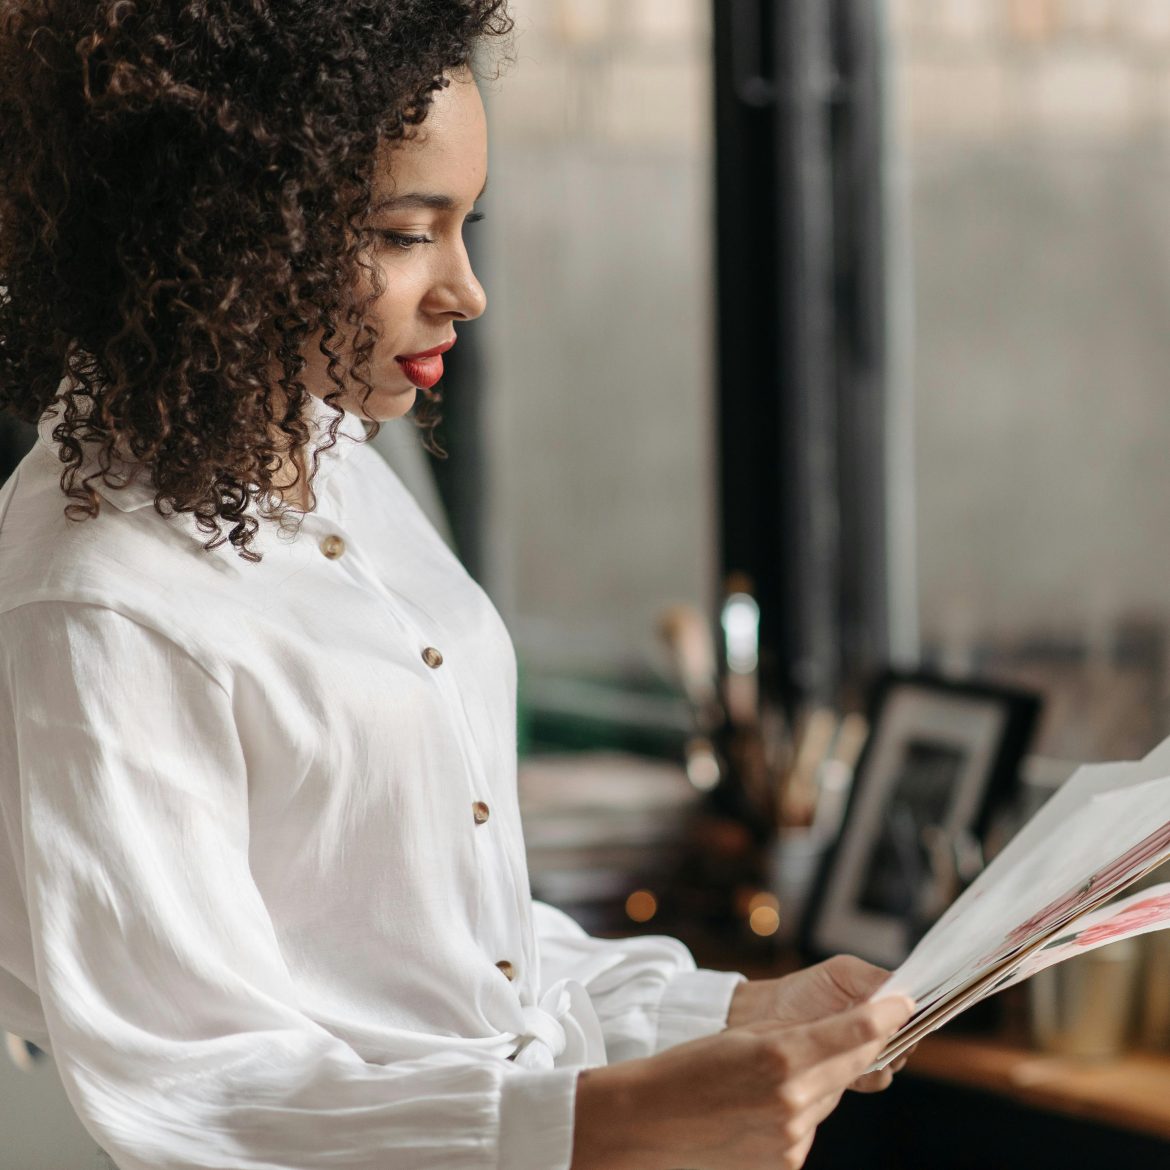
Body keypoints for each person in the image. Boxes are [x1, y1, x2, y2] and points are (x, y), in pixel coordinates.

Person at [0, 3, 914, 1168]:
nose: (466, 290)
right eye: (402, 233)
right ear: (224, 229)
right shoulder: (100, 601)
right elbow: (199, 1091)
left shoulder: (341, 468)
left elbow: (432, 952)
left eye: (464, 225)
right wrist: (612, 1123)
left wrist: (731, 1013)